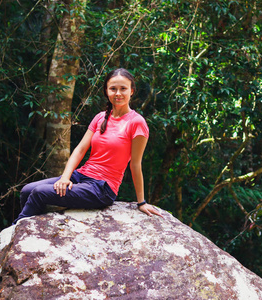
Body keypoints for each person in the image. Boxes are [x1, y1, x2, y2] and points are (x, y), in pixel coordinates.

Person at [13, 68, 163, 224]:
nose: (118, 93)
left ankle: (16, 230)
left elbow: (135, 164)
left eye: (123, 89)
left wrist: (141, 202)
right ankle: (32, 229)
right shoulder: (100, 117)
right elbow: (80, 150)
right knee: (26, 191)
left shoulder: (137, 123)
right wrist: (65, 177)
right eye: (113, 89)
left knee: (39, 193)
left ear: (132, 91)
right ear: (106, 91)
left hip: (102, 188)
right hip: (81, 176)